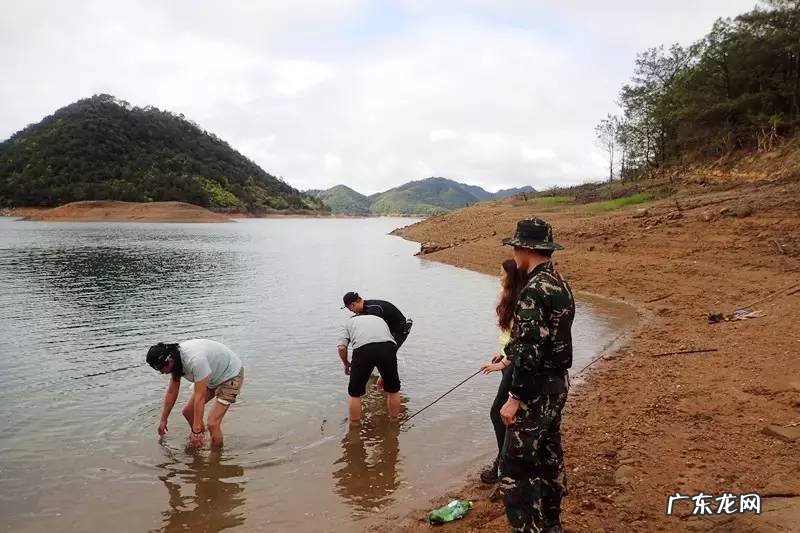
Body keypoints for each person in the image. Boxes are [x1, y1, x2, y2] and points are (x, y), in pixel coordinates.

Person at [497, 217, 575, 533]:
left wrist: (514, 398)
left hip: (536, 389)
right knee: (548, 456)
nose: (514, 253)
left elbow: (532, 351)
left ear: (524, 248)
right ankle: (552, 524)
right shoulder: (559, 283)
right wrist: (509, 353)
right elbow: (546, 339)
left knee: (515, 467)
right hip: (557, 383)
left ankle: (527, 528)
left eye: (516, 247)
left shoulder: (533, 289)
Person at [479, 259, 528, 488]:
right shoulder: (511, 298)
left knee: (499, 413)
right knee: (509, 416)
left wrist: (505, 362)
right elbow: (511, 337)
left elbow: (524, 340)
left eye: (502, 274)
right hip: (509, 360)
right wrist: (501, 354)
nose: (499, 278)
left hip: (515, 364)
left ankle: (504, 465)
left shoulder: (521, 300)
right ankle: (506, 462)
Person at [147, 339, 244, 448]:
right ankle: (202, 441)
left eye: (161, 367)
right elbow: (171, 391)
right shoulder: (175, 360)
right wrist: (163, 420)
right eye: (157, 369)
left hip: (230, 374)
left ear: (169, 359)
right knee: (188, 412)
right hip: (210, 375)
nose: (161, 372)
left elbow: (200, 397)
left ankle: (215, 459)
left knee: (212, 423)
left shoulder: (195, 360)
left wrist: (196, 430)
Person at [337, 313, 401, 421]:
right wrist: (383, 374)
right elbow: (382, 342)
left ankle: (355, 426)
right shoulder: (379, 319)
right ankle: (394, 421)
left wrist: (346, 363)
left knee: (355, 393)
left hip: (363, 350)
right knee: (393, 389)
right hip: (388, 347)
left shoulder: (349, 323)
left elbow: (342, 348)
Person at [342, 292, 412, 390]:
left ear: (353, 304)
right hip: (391, 329)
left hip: (400, 330)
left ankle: (385, 382)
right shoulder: (366, 308)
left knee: (388, 353)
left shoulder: (374, 309)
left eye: (350, 309)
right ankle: (380, 376)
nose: (352, 312)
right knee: (378, 351)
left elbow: (376, 329)